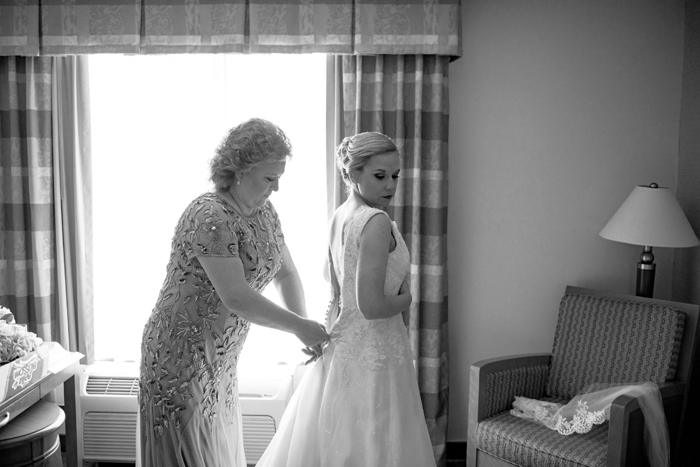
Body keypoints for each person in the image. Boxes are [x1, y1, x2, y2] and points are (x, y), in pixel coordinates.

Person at [138, 118, 329, 467]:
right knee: (190, 453)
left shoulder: (265, 213)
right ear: (240, 171)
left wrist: (303, 321)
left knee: (216, 448)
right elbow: (236, 296)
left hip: (222, 355)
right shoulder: (209, 215)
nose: (276, 188)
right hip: (180, 356)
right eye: (269, 178)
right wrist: (299, 328)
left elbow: (286, 272)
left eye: (279, 178)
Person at [256, 132, 437, 467]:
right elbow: (370, 307)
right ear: (353, 174)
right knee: (375, 438)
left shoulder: (341, 214)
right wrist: (406, 299)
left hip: (343, 344)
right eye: (379, 176)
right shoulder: (376, 221)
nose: (390, 185)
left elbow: (332, 279)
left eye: (395, 176)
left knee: (340, 435)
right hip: (376, 346)